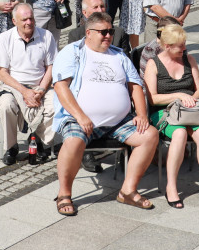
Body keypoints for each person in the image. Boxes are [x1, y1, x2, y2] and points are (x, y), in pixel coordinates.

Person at [52, 12, 160, 216]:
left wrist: (142, 114)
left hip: (119, 121)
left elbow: (135, 86)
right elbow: (60, 87)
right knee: (73, 141)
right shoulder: (72, 52)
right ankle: (64, 193)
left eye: (110, 31)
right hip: (80, 117)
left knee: (150, 135)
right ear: (89, 33)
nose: (108, 36)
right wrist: (81, 116)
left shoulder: (119, 55)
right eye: (103, 32)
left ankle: (127, 191)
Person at [142, 24, 199, 208]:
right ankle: (171, 186)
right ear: (167, 46)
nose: (184, 48)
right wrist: (178, 97)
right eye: (180, 46)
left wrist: (191, 100)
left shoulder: (189, 60)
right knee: (180, 133)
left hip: (190, 110)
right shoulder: (154, 64)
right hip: (164, 111)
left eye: (184, 44)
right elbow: (152, 99)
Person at [0, 4, 58, 165]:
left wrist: (40, 90)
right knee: (6, 105)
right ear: (14, 21)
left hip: (41, 85)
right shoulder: (5, 38)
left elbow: (51, 67)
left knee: (56, 104)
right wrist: (24, 91)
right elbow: (2, 73)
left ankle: (41, 140)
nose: (29, 22)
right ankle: (11, 147)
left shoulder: (46, 36)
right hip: (14, 86)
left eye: (31, 18)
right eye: (24, 19)